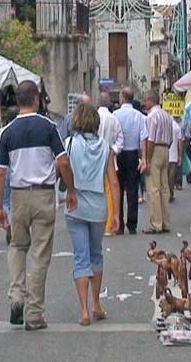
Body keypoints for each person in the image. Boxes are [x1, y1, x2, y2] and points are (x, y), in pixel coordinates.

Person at [0, 81, 76, 332]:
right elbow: (62, 163)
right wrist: (71, 190)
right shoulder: (49, 128)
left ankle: (17, 295)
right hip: (43, 196)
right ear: (37, 99)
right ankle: (34, 312)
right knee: (40, 254)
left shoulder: (7, 132)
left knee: (17, 246)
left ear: (18, 101)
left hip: (19, 196)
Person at [64, 103, 120, 326]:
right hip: (98, 207)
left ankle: (84, 310)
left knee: (80, 256)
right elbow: (113, 182)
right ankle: (97, 303)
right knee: (96, 254)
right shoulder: (106, 147)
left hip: (75, 204)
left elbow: (62, 168)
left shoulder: (68, 144)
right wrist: (115, 213)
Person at [113, 88, 147, 234]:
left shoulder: (115, 115)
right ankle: (132, 224)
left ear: (122, 97)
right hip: (133, 154)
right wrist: (143, 157)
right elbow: (143, 138)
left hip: (119, 154)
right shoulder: (139, 116)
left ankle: (119, 223)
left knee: (118, 188)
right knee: (133, 189)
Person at [142, 90, 173, 234]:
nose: (144, 103)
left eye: (145, 100)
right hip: (166, 149)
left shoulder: (151, 117)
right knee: (164, 188)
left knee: (153, 188)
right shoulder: (167, 116)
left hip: (155, 150)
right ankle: (166, 222)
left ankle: (156, 223)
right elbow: (171, 137)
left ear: (150, 100)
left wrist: (147, 159)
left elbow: (150, 140)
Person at [96, 92, 123, 235]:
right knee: (110, 190)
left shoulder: (94, 117)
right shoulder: (114, 119)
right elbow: (120, 139)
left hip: (94, 158)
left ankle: (98, 223)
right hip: (110, 158)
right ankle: (110, 223)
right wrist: (113, 151)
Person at [0, 105, 20, 244]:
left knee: (5, 200)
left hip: (4, 168)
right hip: (17, 167)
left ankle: (8, 222)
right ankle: (15, 224)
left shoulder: (0, 132)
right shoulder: (19, 131)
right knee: (15, 198)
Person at [168, 118, 183, 201]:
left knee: (165, 177)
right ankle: (170, 193)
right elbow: (179, 142)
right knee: (171, 176)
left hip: (165, 154)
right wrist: (180, 156)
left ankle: (166, 193)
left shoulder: (164, 123)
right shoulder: (176, 126)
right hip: (174, 155)